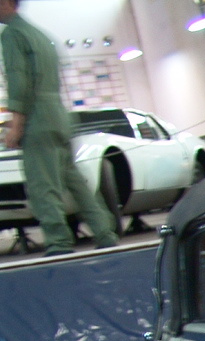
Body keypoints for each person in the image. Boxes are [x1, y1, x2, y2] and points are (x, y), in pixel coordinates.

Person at [0, 0, 118, 255]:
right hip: (59, 115)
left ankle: (58, 241)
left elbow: (18, 80)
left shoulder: (12, 34)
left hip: (37, 118)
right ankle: (105, 232)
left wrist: (16, 125)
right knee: (75, 182)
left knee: (43, 186)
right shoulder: (40, 35)